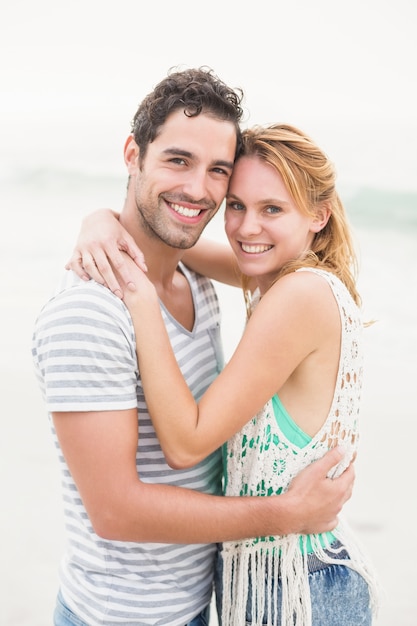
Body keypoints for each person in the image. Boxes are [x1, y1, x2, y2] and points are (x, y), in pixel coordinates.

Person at [33, 67, 356, 626]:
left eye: (218, 173)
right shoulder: (89, 312)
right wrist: (285, 514)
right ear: (132, 153)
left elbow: (249, 253)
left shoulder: (200, 283)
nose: (200, 190)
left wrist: (107, 225)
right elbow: (115, 511)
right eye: (178, 160)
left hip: (216, 602)